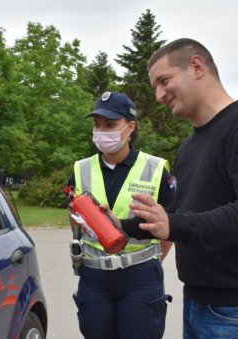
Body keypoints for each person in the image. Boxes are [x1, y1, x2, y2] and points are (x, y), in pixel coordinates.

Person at [130, 38, 238, 338]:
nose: (160, 95)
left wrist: (174, 223)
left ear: (197, 66)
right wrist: (122, 225)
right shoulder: (190, 145)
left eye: (164, 81)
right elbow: (182, 211)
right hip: (198, 303)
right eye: (155, 88)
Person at [66, 91, 176, 339]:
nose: (101, 131)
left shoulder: (155, 168)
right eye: (97, 125)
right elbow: (73, 219)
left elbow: (170, 225)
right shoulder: (80, 169)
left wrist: (153, 260)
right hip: (94, 278)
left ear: (130, 126)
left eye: (110, 124)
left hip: (140, 277)